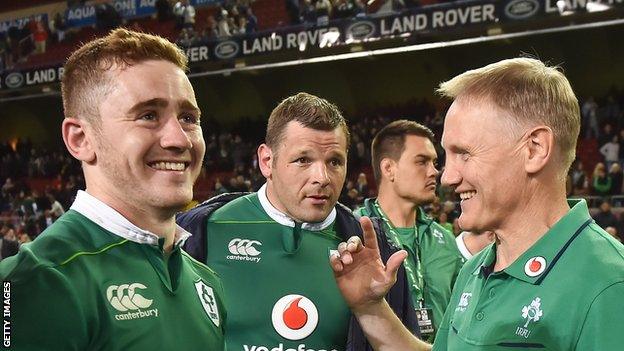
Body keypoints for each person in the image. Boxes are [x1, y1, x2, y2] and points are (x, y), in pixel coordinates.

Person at [330, 57, 624, 350]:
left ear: (534, 149)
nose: (448, 177)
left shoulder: (608, 285)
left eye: (465, 154)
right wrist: (370, 307)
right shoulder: (474, 269)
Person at [0, 29, 226, 350]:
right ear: (81, 139)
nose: (180, 139)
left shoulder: (207, 283)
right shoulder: (34, 283)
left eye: (188, 117)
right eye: (148, 115)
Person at [177, 92, 417, 351]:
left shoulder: (375, 251)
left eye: (335, 161)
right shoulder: (197, 232)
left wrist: (373, 308)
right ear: (267, 161)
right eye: (303, 160)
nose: (322, 177)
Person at [354, 120, 464, 341]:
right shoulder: (353, 233)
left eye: (434, 162)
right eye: (422, 162)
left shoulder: (445, 240)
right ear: (389, 169)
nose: (434, 171)